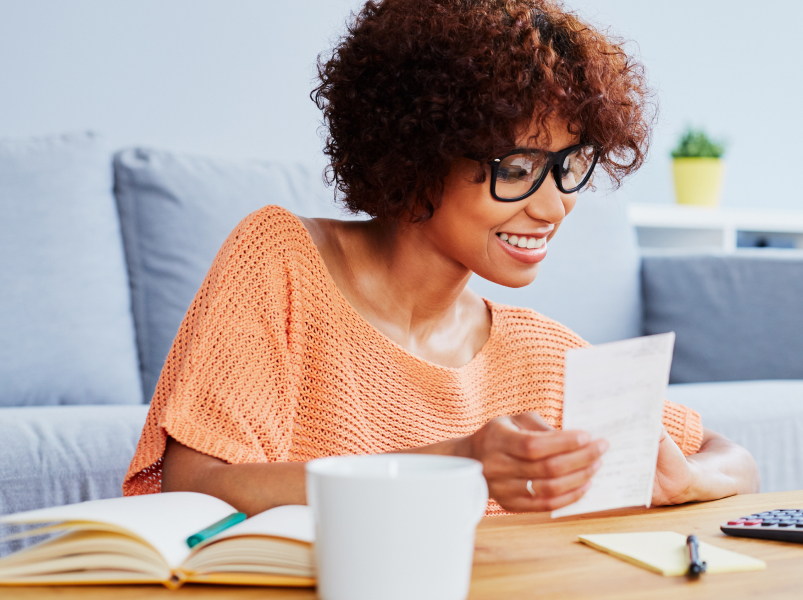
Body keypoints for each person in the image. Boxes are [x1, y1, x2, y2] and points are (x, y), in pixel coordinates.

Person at [123, 0, 758, 517]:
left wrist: (690, 481)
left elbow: (733, 457)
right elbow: (194, 485)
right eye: (516, 169)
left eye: (568, 168)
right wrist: (462, 461)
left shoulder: (540, 357)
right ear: (419, 155)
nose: (554, 208)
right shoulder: (282, 260)